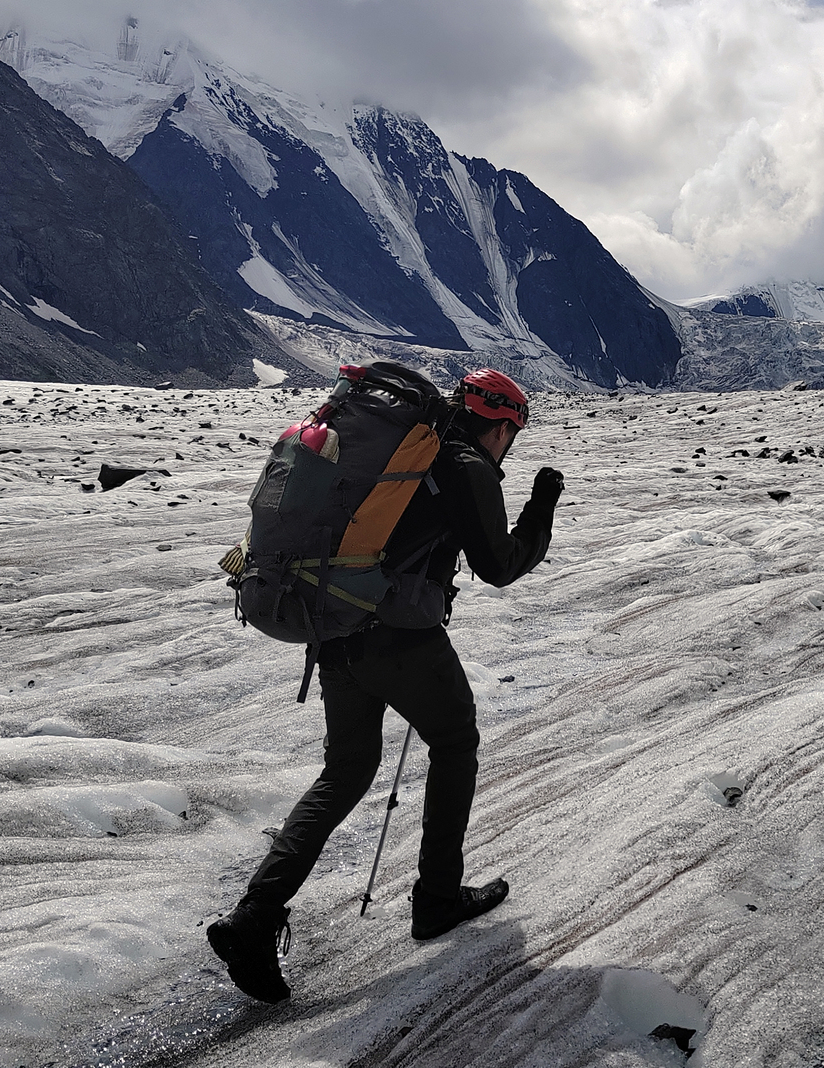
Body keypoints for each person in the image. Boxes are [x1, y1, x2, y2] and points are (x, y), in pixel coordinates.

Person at [207, 369, 563, 1002]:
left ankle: (254, 917)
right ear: (503, 425)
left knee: (345, 771)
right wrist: (542, 507)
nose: (510, 444)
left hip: (334, 624)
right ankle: (436, 898)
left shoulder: (410, 451)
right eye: (513, 432)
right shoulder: (466, 464)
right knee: (454, 739)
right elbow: (500, 566)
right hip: (397, 636)